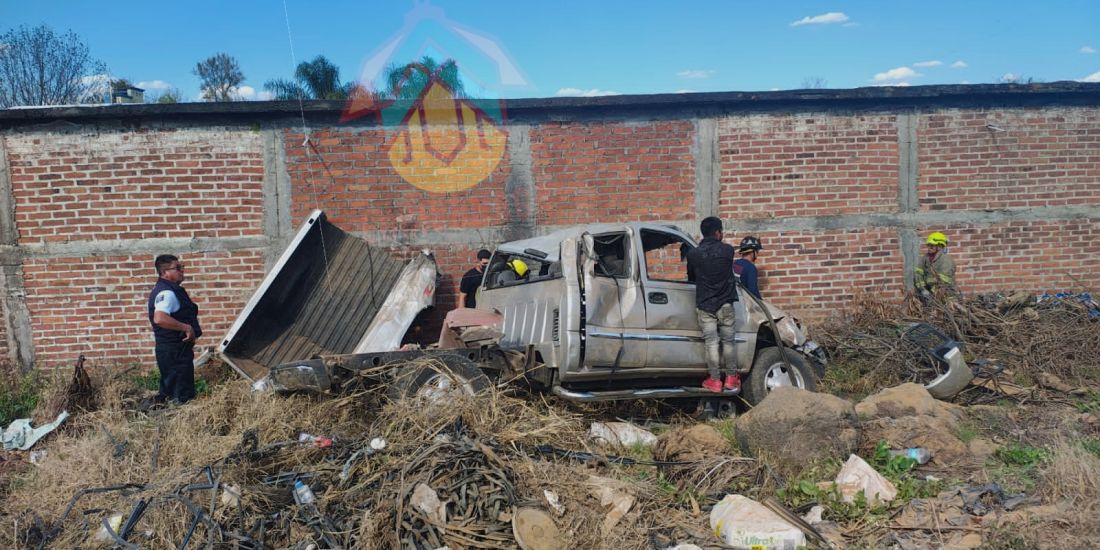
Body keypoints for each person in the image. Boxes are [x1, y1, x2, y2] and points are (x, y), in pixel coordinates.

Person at [686, 217, 740, 393]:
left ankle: (715, 380)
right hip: (725, 304)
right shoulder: (728, 250)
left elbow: (691, 278)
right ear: (717, 232)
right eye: (721, 231)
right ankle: (731, 378)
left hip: (705, 305)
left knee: (711, 343)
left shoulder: (693, 254)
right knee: (729, 341)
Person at [148, 255, 202, 404]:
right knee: (181, 397)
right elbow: (160, 318)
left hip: (172, 351)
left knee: (172, 393)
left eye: (182, 267)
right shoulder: (167, 293)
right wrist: (187, 328)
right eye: (177, 268)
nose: (182, 271)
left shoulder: (166, 289)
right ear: (165, 272)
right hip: (174, 351)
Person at [913, 232, 957, 302]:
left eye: (932, 246)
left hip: (946, 297)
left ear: (940, 246)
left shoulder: (946, 260)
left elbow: (943, 282)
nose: (929, 248)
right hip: (928, 296)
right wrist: (922, 289)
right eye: (928, 245)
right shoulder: (925, 258)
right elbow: (917, 273)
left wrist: (931, 292)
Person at [733, 236, 763, 300]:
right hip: (744, 302)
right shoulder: (750, 268)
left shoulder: (735, 263)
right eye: (757, 251)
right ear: (752, 252)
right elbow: (753, 292)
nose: (757, 254)